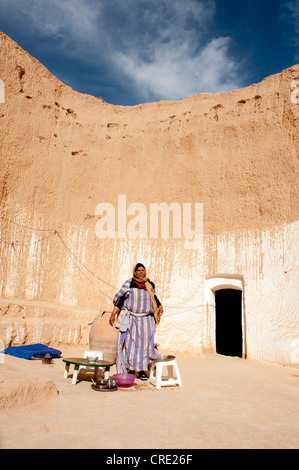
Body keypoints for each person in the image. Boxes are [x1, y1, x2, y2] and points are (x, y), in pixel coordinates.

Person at [109, 263, 163, 380]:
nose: (141, 272)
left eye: (142, 270)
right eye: (138, 270)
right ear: (135, 272)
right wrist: (113, 314)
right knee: (131, 345)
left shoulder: (149, 285)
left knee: (146, 346)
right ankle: (132, 369)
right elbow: (120, 300)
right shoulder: (129, 284)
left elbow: (154, 298)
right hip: (132, 320)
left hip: (147, 321)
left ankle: (143, 370)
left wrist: (159, 306)